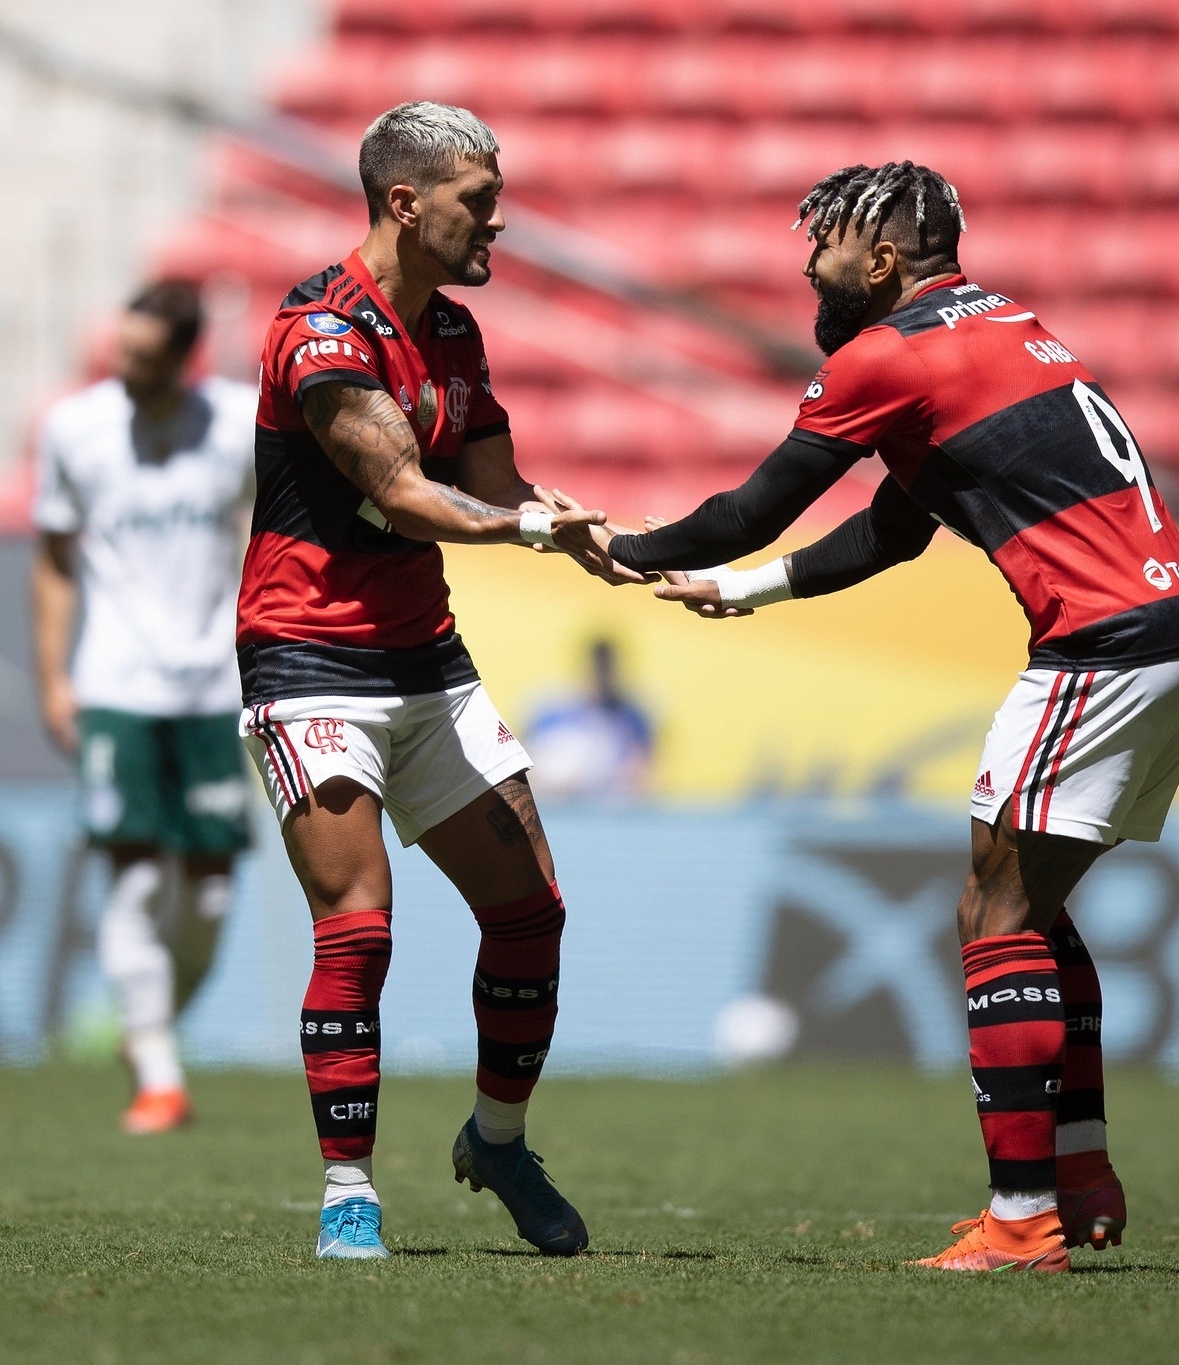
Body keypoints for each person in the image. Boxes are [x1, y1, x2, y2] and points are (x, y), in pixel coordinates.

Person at [556, 160, 1179, 1273]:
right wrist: (742, 592)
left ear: (878, 262)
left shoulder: (886, 353)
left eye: (821, 247)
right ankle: (1077, 1171)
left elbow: (751, 505)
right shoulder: (1005, 329)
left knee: (995, 913)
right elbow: (890, 532)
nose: (808, 268)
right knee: (1030, 911)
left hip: (1102, 646)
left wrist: (623, 550)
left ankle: (1021, 1223)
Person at [237, 101, 638, 1261]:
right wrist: (531, 529)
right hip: (308, 658)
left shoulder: (454, 336)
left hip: (426, 660)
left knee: (530, 916)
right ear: (405, 203)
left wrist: (604, 537)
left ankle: (498, 1142)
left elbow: (505, 486)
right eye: (478, 198)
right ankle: (347, 1192)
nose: (499, 219)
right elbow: (412, 494)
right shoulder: (318, 332)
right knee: (358, 930)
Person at [31, 279, 256, 1134]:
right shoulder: (75, 428)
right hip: (116, 684)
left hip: (211, 686)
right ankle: (160, 1074)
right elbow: (52, 559)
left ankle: (149, 1030)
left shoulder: (234, 425)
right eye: (120, 350)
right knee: (131, 877)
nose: (126, 368)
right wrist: (56, 676)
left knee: (207, 903)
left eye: (145, 358)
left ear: (184, 359)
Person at [525, 637, 655, 800]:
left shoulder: (632, 716)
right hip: (557, 805)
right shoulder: (553, 709)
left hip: (607, 809)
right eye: (598, 669)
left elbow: (642, 775)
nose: (602, 676)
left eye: (607, 669)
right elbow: (528, 767)